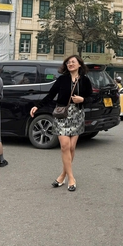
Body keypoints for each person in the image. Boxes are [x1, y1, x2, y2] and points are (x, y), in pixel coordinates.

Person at [30, 55, 92, 192]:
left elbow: (91, 98)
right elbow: (51, 95)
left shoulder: (85, 80)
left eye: (73, 62)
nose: (70, 64)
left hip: (77, 115)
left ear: (79, 65)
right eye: (68, 62)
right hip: (62, 114)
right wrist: (37, 106)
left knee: (71, 148)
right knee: (64, 146)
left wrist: (82, 99)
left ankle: (62, 175)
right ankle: (71, 178)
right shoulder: (62, 79)